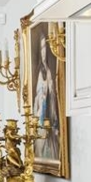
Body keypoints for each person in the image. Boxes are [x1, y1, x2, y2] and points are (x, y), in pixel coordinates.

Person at [32, 32, 61, 162]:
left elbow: (53, 96)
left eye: (45, 48)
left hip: (49, 113)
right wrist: (41, 97)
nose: (43, 52)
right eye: (41, 48)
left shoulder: (49, 72)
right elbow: (37, 97)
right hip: (40, 114)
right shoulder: (39, 72)